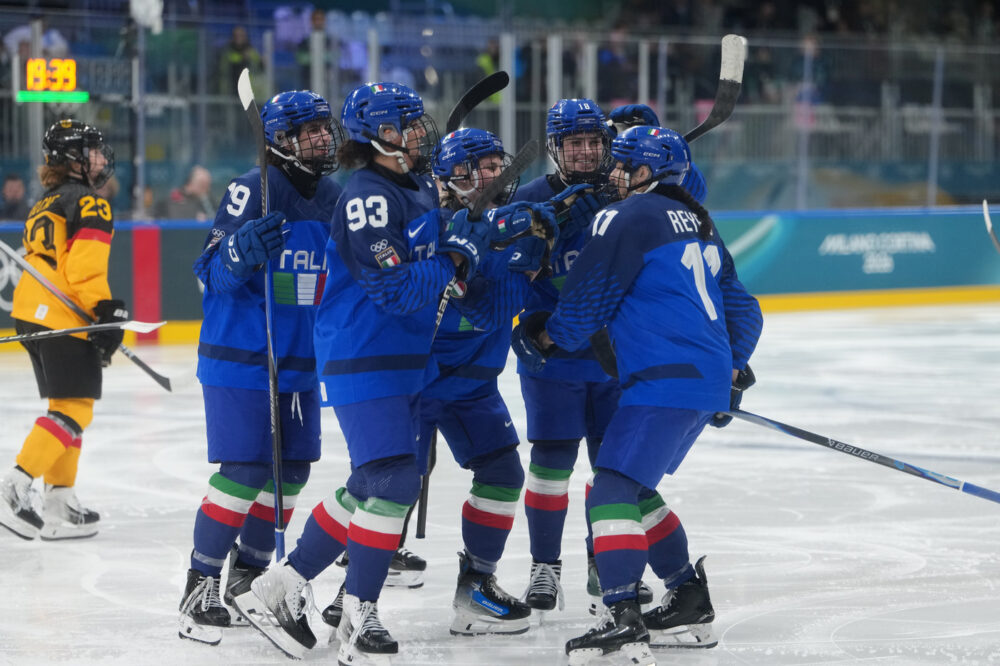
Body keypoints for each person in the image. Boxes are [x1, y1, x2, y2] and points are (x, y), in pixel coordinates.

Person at [233, 81, 502, 663]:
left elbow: (437, 279)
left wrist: (463, 244)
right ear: (373, 137)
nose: (415, 134)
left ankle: (280, 586)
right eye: (401, 126)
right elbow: (395, 288)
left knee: (372, 483)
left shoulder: (417, 189)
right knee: (394, 477)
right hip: (364, 355)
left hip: (404, 359)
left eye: (415, 124)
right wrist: (457, 254)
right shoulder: (368, 196)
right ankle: (357, 612)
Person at [510, 125, 762, 662]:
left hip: (662, 378)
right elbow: (741, 305)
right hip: (700, 374)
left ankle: (622, 615)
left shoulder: (624, 216)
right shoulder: (696, 217)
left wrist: (544, 336)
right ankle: (688, 595)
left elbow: (585, 305)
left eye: (624, 165)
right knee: (637, 490)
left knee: (610, 492)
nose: (613, 174)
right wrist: (730, 371)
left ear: (646, 172)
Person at [177, 90, 346, 646]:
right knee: (248, 470)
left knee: (292, 470)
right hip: (242, 359)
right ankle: (200, 582)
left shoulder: (337, 196)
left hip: (299, 362)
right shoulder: (252, 188)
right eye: (309, 130)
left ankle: (248, 573)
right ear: (280, 141)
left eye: (326, 127)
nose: (323, 138)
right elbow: (210, 275)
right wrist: (239, 251)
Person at [0, 119, 123, 542]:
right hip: (60, 313)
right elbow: (84, 268)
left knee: (65, 403)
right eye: (92, 151)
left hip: (31, 309)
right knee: (75, 410)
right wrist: (105, 311)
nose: (101, 158)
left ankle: (58, 503)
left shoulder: (46, 200)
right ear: (73, 160)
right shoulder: (89, 202)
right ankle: (16, 484)